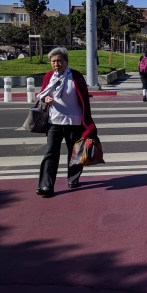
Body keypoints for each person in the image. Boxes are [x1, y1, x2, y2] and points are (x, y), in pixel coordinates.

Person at [36, 47, 97, 197]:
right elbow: (41, 93)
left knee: (74, 153)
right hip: (54, 121)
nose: (56, 64)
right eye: (53, 61)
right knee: (51, 153)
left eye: (59, 61)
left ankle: (73, 178)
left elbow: (83, 99)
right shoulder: (49, 76)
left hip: (74, 122)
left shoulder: (75, 76)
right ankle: (46, 186)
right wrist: (45, 98)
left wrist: (87, 122)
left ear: (66, 61)